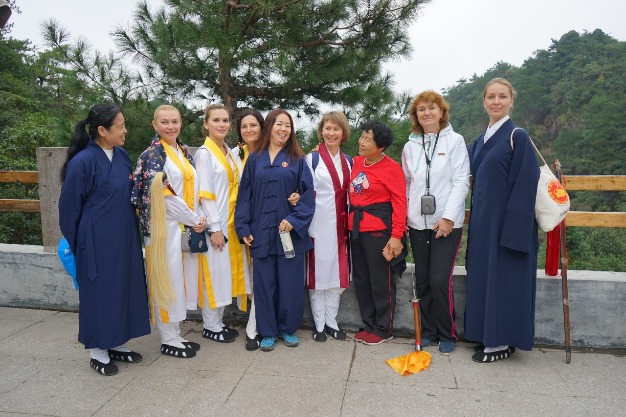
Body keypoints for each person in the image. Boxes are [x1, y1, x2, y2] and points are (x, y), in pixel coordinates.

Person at [59, 104, 150, 376]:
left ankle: (117, 341)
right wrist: (81, 244)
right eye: (120, 126)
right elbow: (68, 210)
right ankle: (98, 350)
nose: (125, 130)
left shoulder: (121, 155)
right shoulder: (82, 162)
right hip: (95, 238)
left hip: (124, 235)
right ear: (102, 130)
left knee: (123, 286)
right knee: (99, 292)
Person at [465, 78, 540, 363]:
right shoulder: (481, 139)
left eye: (502, 97)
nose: (496, 101)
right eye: (491, 97)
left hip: (509, 223)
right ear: (484, 101)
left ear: (511, 101)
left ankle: (501, 342)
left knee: (506, 281)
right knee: (486, 278)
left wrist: (514, 231)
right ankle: (487, 335)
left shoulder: (517, 136)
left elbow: (526, 183)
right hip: (484, 223)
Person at [235, 109, 315, 352]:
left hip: (288, 233)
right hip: (261, 231)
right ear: (269, 126)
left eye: (288, 125)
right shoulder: (255, 159)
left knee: (290, 283)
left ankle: (288, 329)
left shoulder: (297, 159)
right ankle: (268, 331)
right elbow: (245, 195)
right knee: (264, 284)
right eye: (279, 124)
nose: (284, 129)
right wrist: (243, 226)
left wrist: (294, 219)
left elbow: (308, 195)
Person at [131, 105, 205, 359]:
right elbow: (164, 196)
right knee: (165, 280)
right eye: (164, 122)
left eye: (174, 121)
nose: (170, 126)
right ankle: (167, 338)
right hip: (164, 229)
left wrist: (197, 217)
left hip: (183, 226)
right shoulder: (152, 155)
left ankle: (176, 333)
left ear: (181, 123)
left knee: (179, 281)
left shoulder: (182, 152)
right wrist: (194, 219)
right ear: (154, 125)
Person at [401, 91, 470, 355]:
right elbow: (408, 183)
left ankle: (447, 332)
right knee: (423, 280)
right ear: (415, 115)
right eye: (421, 109)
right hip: (417, 224)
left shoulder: (455, 141)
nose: (427, 113)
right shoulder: (410, 146)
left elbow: (461, 181)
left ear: (442, 112)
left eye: (432, 108)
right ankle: (428, 331)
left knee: (440, 279)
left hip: (445, 223)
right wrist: (407, 216)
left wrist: (449, 217)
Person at [195, 103, 250, 344]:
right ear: (206, 124)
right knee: (213, 274)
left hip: (232, 222)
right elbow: (205, 194)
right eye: (216, 120)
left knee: (224, 275)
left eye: (225, 120)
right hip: (216, 224)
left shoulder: (229, 152)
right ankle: (210, 325)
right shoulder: (204, 154)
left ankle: (218, 322)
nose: (221, 124)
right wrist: (215, 228)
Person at [349, 120, 407, 346]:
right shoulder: (356, 162)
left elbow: (400, 203)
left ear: (380, 146)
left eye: (368, 139)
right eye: (362, 136)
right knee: (362, 279)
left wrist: (396, 236)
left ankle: (384, 329)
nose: (361, 141)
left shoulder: (392, 168)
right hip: (356, 229)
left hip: (379, 232)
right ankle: (369, 324)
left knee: (380, 281)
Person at [305, 111, 352, 342]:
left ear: (343, 132)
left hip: (341, 228)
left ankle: (332, 322)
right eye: (327, 128)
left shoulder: (349, 161)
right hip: (318, 224)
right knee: (318, 276)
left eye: (336, 129)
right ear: (321, 131)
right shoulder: (312, 159)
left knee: (337, 278)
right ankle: (319, 324)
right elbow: (304, 191)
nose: (331, 133)